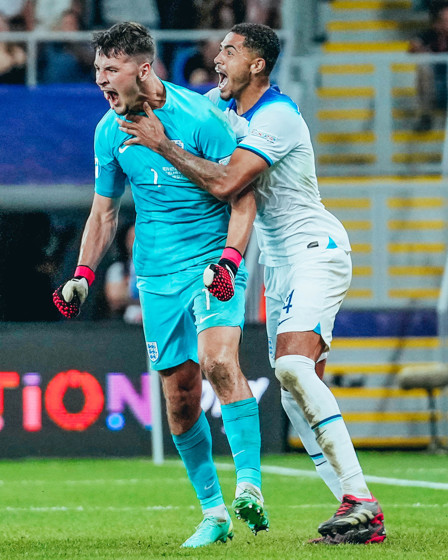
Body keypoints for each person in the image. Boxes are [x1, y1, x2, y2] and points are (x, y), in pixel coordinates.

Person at [117, 22, 387, 545]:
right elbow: (176, 103)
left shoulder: (278, 116)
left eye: (230, 51)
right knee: (292, 395)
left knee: (290, 367)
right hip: (280, 267)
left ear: (257, 64)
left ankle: (361, 500)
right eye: (219, 50)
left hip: (315, 249)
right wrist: (133, 84)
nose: (217, 59)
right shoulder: (226, 113)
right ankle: (357, 512)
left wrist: (164, 144)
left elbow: (224, 182)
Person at [52, 21, 268, 548]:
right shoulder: (108, 131)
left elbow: (241, 198)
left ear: (143, 69)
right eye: (98, 69)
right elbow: (103, 214)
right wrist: (81, 274)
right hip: (156, 276)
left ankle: (251, 487)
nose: (101, 80)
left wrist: (230, 259)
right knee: (180, 399)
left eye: (111, 69)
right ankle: (215, 514)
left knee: (218, 361)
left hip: (211, 266)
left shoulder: (203, 117)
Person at [409, 1, 448, 131]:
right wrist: (422, 49)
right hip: (435, 85)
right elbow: (412, 46)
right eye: (445, 20)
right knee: (423, 66)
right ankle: (426, 117)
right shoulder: (430, 34)